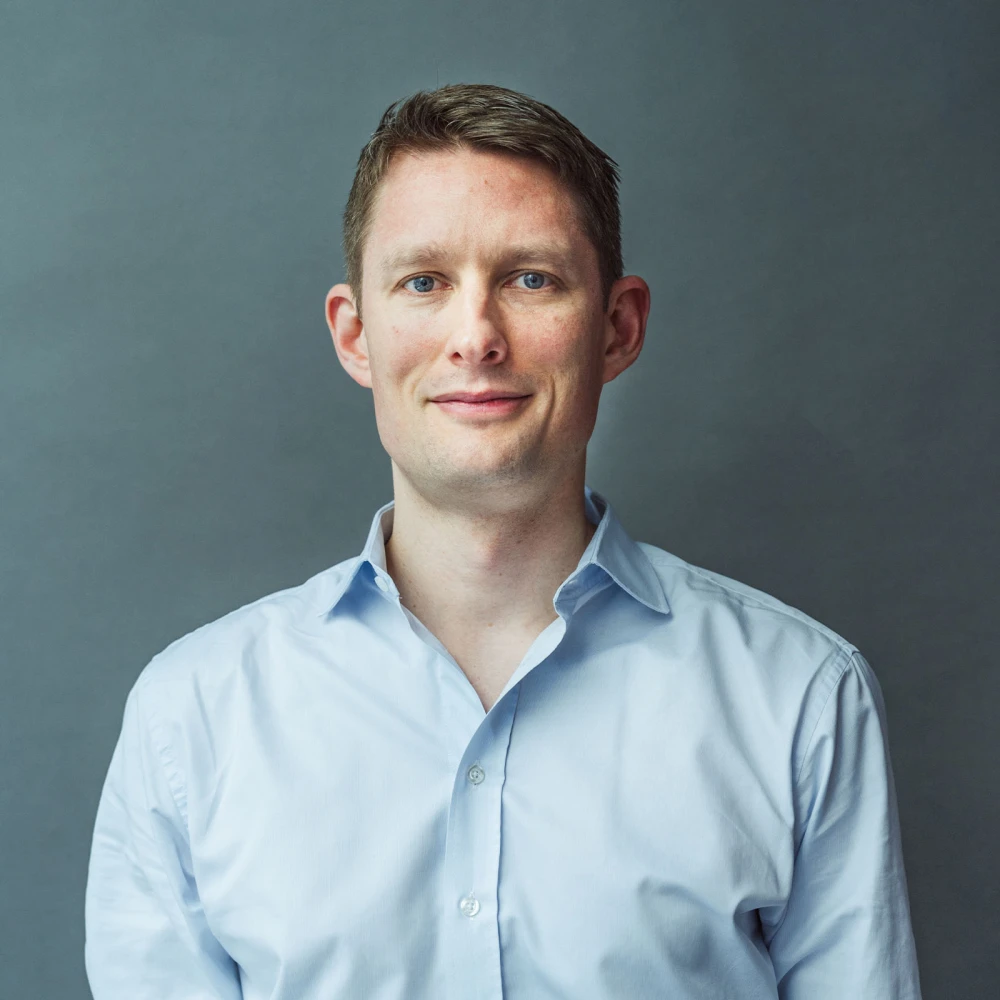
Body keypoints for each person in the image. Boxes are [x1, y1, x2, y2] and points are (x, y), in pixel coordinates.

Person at [84, 83, 923, 999]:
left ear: (617, 327)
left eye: (531, 278)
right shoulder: (193, 718)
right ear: (356, 334)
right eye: (424, 282)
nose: (476, 336)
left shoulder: (800, 695)